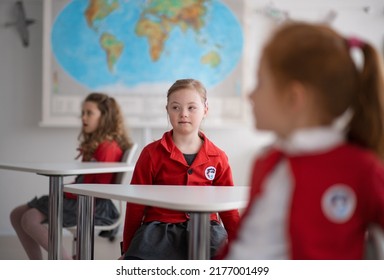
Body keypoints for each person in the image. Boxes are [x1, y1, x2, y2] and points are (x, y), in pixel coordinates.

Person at [220, 21, 384, 260]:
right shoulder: (267, 161)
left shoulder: (361, 169)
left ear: (294, 98)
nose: (250, 94)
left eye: (261, 81)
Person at [121, 79, 240, 260]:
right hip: (158, 229)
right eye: (176, 107)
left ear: (205, 110)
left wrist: (239, 245)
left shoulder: (218, 157)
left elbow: (228, 208)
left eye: (192, 108)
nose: (183, 114)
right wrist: (127, 248)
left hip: (206, 229)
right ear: (167, 110)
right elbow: (135, 205)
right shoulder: (151, 154)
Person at [10, 92, 134, 260]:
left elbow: (95, 189)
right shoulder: (97, 144)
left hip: (92, 204)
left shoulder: (108, 148)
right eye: (82, 113)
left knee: (29, 219)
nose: (84, 117)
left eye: (89, 113)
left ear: (105, 117)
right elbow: (84, 181)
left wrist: (62, 191)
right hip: (80, 197)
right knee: (17, 214)